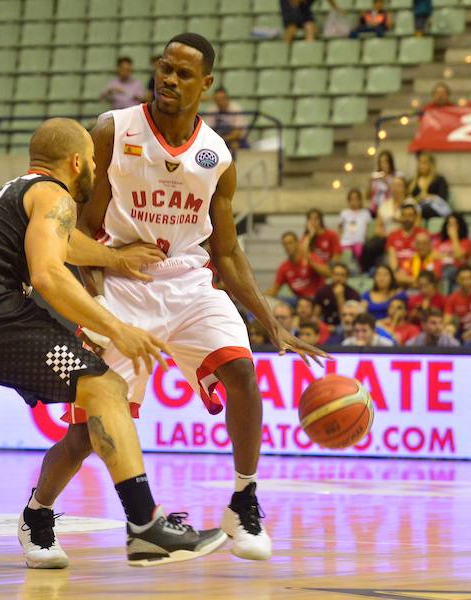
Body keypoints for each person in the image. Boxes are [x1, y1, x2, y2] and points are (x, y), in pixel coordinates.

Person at [24, 35, 326, 567]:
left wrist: (269, 321)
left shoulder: (217, 155)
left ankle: (244, 500)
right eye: (165, 68)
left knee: (243, 376)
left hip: (189, 281)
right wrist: (99, 287)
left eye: (184, 74)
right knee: (91, 429)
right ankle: (38, 513)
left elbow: (227, 252)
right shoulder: (113, 130)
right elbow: (81, 229)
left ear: (205, 84)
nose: (169, 79)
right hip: (121, 279)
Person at [0, 117, 227, 576]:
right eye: (93, 160)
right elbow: (48, 273)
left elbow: (63, 243)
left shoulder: (15, 194)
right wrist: (117, 329)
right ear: (77, 162)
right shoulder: (56, 194)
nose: (95, 166)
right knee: (106, 388)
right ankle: (144, 524)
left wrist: (115, 258)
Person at [268, 230, 331, 300]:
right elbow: (274, 290)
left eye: (290, 243)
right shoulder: (284, 267)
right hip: (298, 301)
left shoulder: (311, 257)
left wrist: (310, 262)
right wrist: (260, 298)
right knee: (274, 300)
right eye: (285, 244)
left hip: (316, 298)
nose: (287, 246)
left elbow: (328, 274)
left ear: (297, 242)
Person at [385, 200, 428, 277]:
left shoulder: (423, 233)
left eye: (410, 215)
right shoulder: (392, 235)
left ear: (415, 217)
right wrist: (396, 272)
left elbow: (428, 255)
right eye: (404, 215)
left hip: (418, 272)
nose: (407, 218)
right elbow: (392, 258)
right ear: (401, 217)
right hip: (399, 274)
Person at [203, 87, 248, 155]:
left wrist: (223, 140)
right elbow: (208, 130)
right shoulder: (212, 110)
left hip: (236, 140)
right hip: (218, 140)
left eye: (222, 98)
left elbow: (238, 133)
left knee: (236, 145)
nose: (220, 102)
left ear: (227, 98)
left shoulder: (236, 109)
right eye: (217, 99)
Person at [434, 212, 471, 290]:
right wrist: (450, 255)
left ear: (460, 226)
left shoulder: (466, 242)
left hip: (455, 271)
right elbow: (433, 255)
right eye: (449, 224)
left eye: (454, 224)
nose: (451, 227)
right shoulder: (441, 241)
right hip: (439, 270)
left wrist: (454, 237)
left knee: (448, 271)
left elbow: (459, 255)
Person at [314, 262, 360, 326]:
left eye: (342, 275)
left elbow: (348, 319)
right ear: (332, 275)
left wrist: (340, 297)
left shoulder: (353, 294)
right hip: (325, 324)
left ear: (347, 277)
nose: (338, 277)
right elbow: (316, 315)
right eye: (336, 274)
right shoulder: (323, 291)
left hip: (344, 326)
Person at [407, 152, 451, 219]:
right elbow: (409, 199)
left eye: (424, 163)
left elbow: (443, 198)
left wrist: (428, 197)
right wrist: (418, 198)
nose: (421, 165)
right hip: (416, 207)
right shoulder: (412, 181)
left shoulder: (439, 179)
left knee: (422, 209)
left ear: (431, 164)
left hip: (433, 208)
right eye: (419, 162)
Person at [338, 188, 371, 260]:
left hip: (359, 241)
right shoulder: (344, 213)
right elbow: (340, 228)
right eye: (351, 199)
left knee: (359, 256)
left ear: (360, 200)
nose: (354, 201)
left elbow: (367, 228)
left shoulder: (365, 213)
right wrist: (340, 240)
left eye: (356, 199)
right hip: (346, 241)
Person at [368, 150, 402, 215]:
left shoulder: (397, 175)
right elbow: (368, 196)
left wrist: (386, 181)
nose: (383, 165)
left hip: (391, 206)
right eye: (381, 162)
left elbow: (398, 193)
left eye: (386, 162)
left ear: (390, 163)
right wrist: (369, 183)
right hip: (376, 207)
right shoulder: (376, 176)